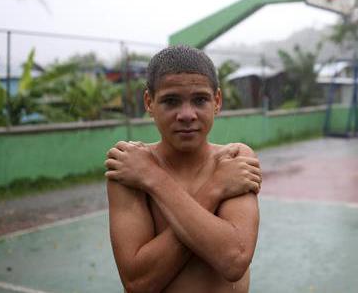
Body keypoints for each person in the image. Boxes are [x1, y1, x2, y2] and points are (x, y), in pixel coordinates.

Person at [104, 45, 261, 293]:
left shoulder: (234, 159)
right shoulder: (129, 168)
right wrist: (215, 188)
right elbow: (138, 283)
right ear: (149, 102)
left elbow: (233, 260)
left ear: (217, 101)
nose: (187, 115)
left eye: (200, 99)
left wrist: (152, 179)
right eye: (170, 101)